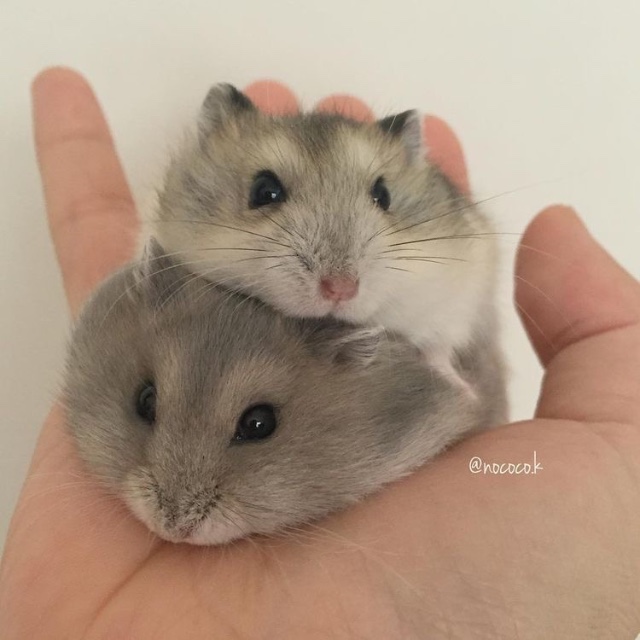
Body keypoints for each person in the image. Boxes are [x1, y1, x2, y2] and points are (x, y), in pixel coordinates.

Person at [0, 68, 638, 639]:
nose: (337, 281)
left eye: (378, 199)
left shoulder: (432, 276)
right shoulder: (174, 256)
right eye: (269, 193)